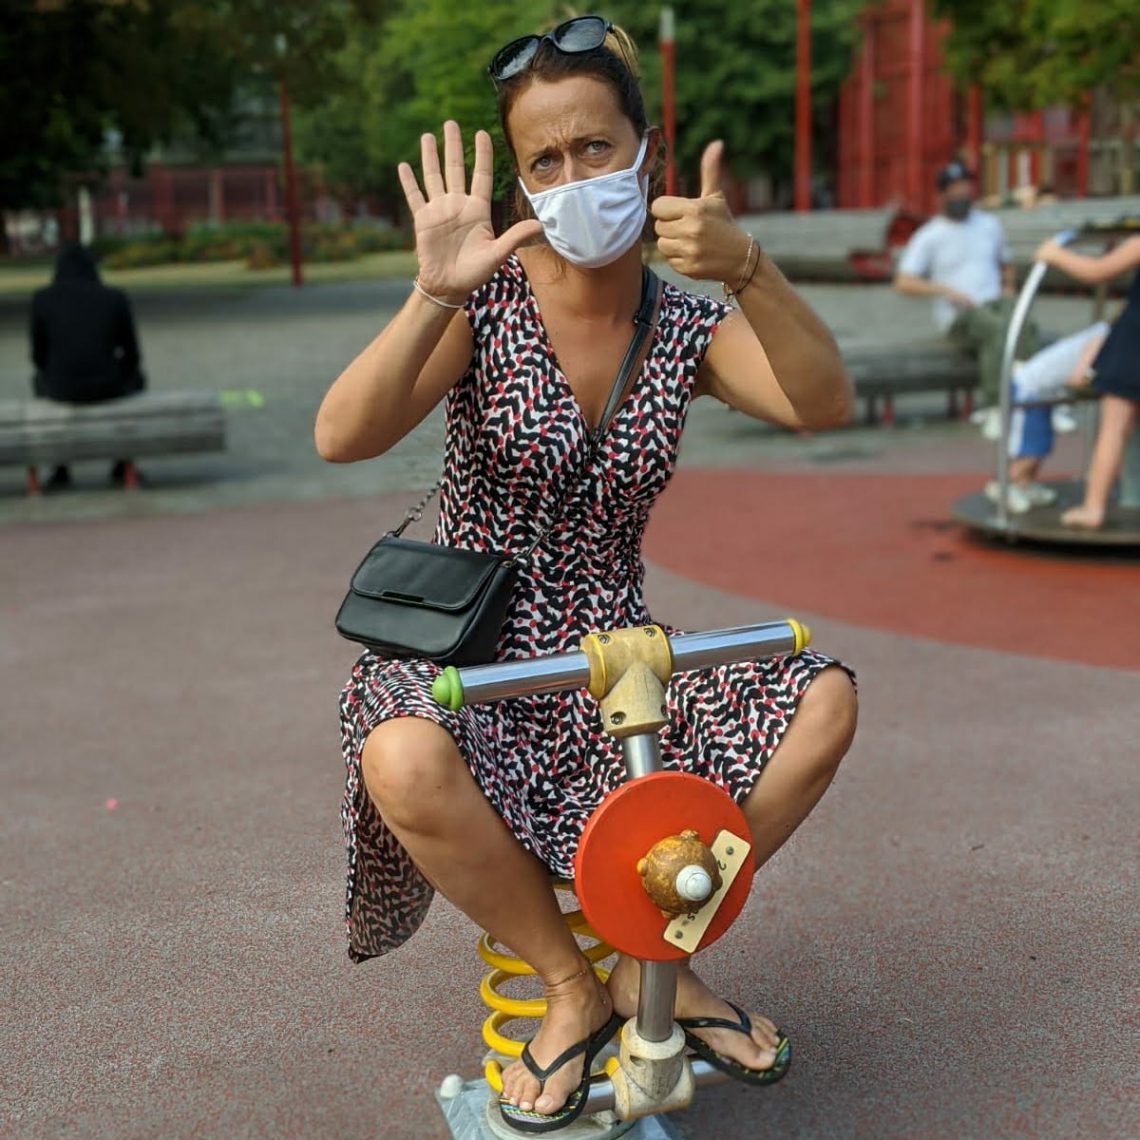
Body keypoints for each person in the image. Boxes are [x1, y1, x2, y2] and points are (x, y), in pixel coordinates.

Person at [315, 15, 858, 1132]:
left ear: (645, 151)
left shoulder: (683, 325)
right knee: (400, 751)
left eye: (595, 147)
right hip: (475, 649)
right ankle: (571, 985)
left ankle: (661, 956)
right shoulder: (487, 304)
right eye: (546, 159)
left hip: (615, 650)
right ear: (519, 182)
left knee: (825, 701)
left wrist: (750, 268)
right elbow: (340, 436)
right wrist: (433, 293)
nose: (573, 178)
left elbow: (822, 403)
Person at [894, 161, 1041, 412]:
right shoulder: (929, 235)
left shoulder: (989, 225)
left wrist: (1008, 286)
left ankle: (1035, 400)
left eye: (965, 188)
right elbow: (903, 282)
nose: (962, 195)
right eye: (955, 190)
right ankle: (997, 407)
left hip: (994, 302)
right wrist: (945, 291)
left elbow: (1005, 263)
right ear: (941, 196)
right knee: (996, 330)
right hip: (959, 315)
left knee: (1024, 325)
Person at [1033, 232, 1140, 529]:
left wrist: (1054, 254)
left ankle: (1094, 507)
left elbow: (1097, 271)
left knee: (1114, 428)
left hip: (1134, 344)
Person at [30, 242, 146, 489]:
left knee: (38, 381)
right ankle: (122, 461)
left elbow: (38, 355)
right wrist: (119, 373)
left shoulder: (42, 299)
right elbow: (132, 353)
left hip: (61, 388)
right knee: (137, 378)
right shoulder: (114, 298)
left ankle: (61, 466)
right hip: (108, 386)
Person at [986, 322, 1109, 513]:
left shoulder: (1106, 332)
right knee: (1030, 448)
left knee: (1042, 443)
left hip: (1045, 392)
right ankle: (1004, 485)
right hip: (1029, 390)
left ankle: (1024, 484)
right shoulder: (1104, 336)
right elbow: (1079, 377)